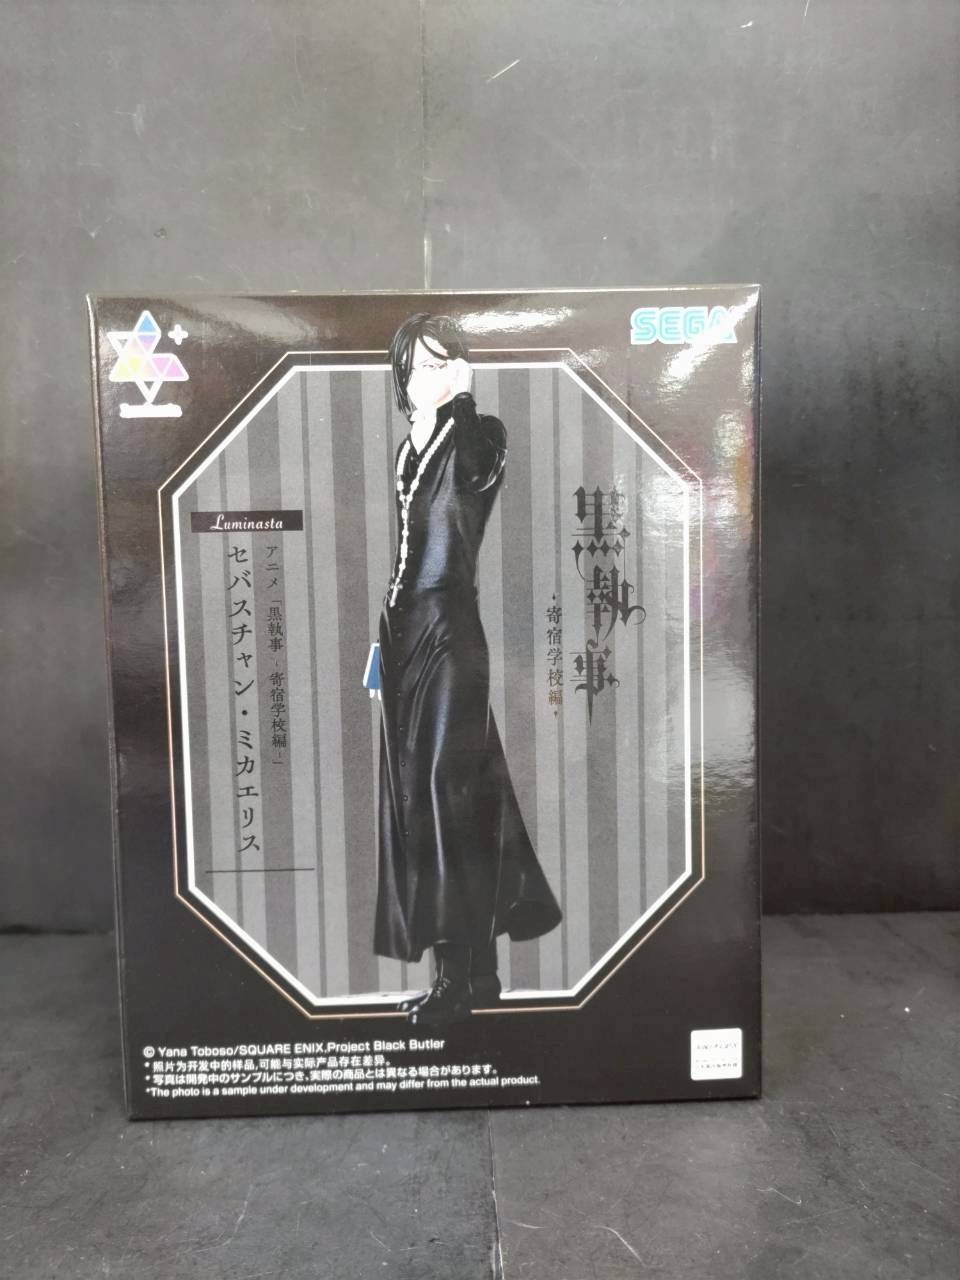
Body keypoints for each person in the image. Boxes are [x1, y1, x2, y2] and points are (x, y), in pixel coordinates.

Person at [373, 313, 563, 1026]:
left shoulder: (481, 435)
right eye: (418, 365)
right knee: (427, 799)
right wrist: (381, 645)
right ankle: (478, 977)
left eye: (443, 361)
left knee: (445, 798)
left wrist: (462, 399)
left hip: (453, 634)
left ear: (461, 368)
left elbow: (478, 474)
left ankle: (455, 982)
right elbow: (406, 552)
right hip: (402, 635)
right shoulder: (406, 450)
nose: (429, 375)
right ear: (400, 376)